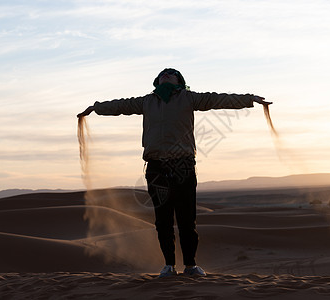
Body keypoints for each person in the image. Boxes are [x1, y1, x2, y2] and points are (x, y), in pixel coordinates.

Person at [77, 68, 269, 278]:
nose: (166, 74)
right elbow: (120, 105)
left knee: (187, 220)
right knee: (163, 220)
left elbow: (218, 99)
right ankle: (168, 265)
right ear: (157, 81)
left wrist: (249, 99)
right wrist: (96, 108)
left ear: (180, 80)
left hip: (183, 166)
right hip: (156, 168)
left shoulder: (188, 98)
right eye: (163, 73)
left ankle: (190, 266)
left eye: (171, 73)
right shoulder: (147, 101)